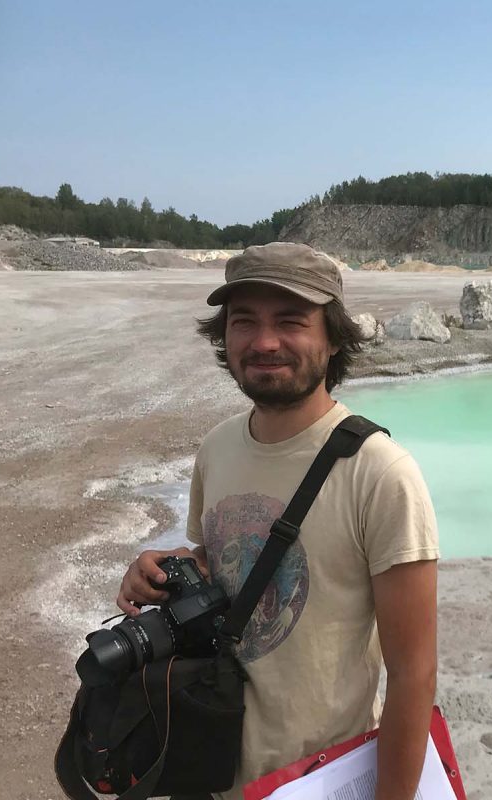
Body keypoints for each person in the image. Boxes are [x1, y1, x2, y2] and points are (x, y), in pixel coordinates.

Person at [115, 242, 439, 800]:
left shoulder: (381, 475)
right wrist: (164, 570)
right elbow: (219, 559)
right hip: (208, 761)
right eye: (244, 322)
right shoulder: (217, 447)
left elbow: (413, 676)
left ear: (334, 337)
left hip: (316, 778)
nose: (264, 342)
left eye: (290, 322)